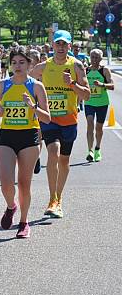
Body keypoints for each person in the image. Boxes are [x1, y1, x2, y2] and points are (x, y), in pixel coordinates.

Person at [31, 30, 90, 218]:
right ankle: (52, 199)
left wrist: (72, 84)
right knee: (53, 151)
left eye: (65, 44)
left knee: (64, 160)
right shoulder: (43, 67)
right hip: (49, 120)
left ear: (70, 46)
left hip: (69, 120)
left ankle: (59, 197)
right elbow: (26, 81)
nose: (61, 47)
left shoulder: (77, 66)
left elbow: (87, 95)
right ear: (52, 46)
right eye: (58, 43)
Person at [0, 47, 51, 238]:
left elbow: (47, 118)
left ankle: (24, 222)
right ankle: (11, 206)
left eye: (21, 62)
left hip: (29, 136)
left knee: (24, 184)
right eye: (14, 63)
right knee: (5, 183)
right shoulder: (3, 85)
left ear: (29, 64)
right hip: (7, 135)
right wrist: (0, 109)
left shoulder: (36, 86)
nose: (17, 66)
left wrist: (32, 106)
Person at [85, 48, 114, 162]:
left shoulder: (104, 70)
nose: (94, 59)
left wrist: (101, 84)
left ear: (101, 58)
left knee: (99, 128)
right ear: (90, 58)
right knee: (90, 124)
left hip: (102, 103)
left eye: (97, 57)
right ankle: (90, 151)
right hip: (89, 102)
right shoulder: (86, 70)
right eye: (92, 57)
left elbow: (112, 86)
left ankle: (97, 148)